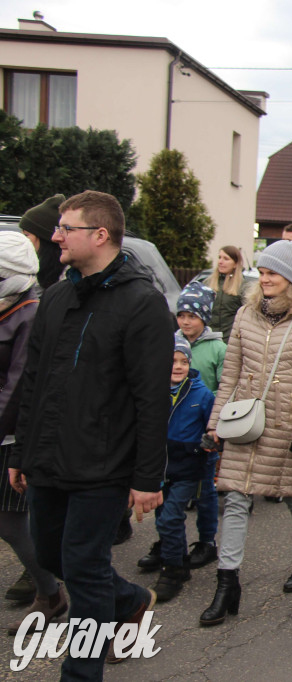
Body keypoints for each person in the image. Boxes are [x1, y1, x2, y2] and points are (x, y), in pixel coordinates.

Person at [10, 190, 175, 674]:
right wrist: (21, 451)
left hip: (104, 466)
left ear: (100, 236)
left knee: (82, 568)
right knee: (51, 555)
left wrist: (148, 478)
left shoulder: (143, 305)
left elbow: (151, 399)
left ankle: (81, 673)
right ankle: (125, 601)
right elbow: (33, 382)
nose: (55, 236)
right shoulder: (57, 296)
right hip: (47, 459)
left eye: (66, 228)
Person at [201, 239, 292, 627]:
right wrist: (215, 423)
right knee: (236, 497)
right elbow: (231, 374)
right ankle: (227, 584)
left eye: (274, 272)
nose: (267, 278)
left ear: (291, 277)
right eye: (264, 271)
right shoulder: (245, 315)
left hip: (288, 424)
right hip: (244, 421)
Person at [0, 233, 67, 636]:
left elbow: (18, 384)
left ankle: (53, 590)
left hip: (12, 436)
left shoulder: (31, 312)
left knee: (10, 522)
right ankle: (50, 589)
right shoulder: (8, 308)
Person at [141, 282, 224, 571]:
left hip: (202, 427)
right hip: (174, 433)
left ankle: (206, 541)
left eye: (193, 315)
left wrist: (214, 430)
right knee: (170, 505)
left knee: (205, 496)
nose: (186, 321)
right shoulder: (169, 341)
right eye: (182, 315)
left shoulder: (217, 348)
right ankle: (168, 542)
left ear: (204, 317)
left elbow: (224, 386)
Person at [151, 338, 215, 602]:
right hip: (159, 466)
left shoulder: (202, 394)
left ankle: (174, 569)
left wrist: (208, 453)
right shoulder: (152, 389)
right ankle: (172, 553)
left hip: (189, 466)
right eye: (172, 361)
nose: (177, 366)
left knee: (171, 516)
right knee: (162, 515)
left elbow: (213, 430)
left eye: (183, 361)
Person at [18, 194, 66, 290]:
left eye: (26, 235)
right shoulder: (25, 271)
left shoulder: (69, 280)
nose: (21, 240)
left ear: (45, 240)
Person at [205, 245, 248, 339]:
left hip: (230, 341)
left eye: (226, 259)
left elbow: (248, 317)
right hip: (208, 339)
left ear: (235, 264)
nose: (220, 262)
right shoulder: (207, 283)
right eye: (219, 257)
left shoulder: (242, 286)